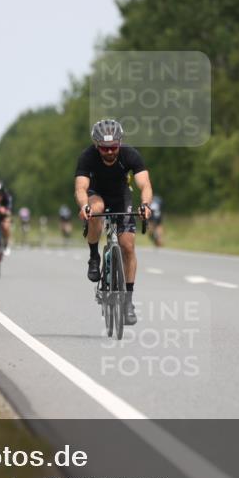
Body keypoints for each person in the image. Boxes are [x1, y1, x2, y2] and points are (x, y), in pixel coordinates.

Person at [75, 118, 153, 325]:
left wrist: (145, 205)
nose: (109, 152)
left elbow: (144, 184)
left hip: (121, 198)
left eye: (113, 147)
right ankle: (94, 257)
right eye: (104, 148)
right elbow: (81, 188)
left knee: (128, 246)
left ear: (120, 142)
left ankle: (127, 302)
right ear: (96, 145)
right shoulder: (87, 156)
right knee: (96, 210)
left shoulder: (130, 154)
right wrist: (85, 207)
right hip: (97, 196)